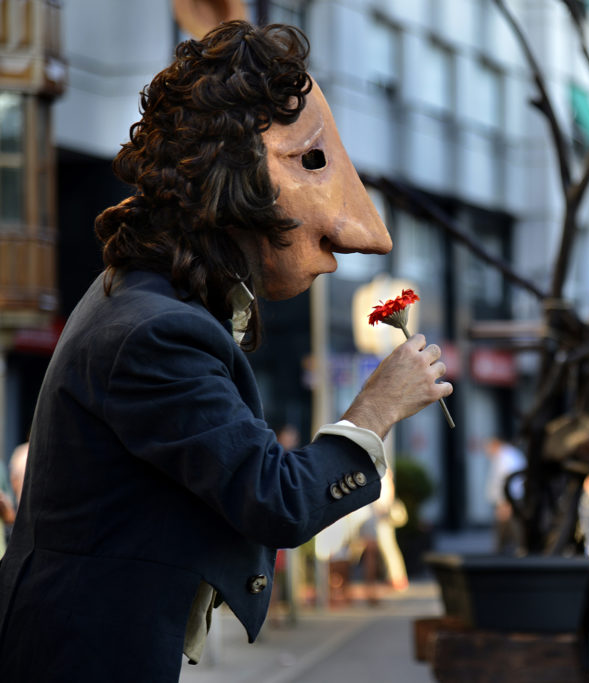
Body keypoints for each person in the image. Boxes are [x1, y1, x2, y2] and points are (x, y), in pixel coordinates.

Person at [0, 21, 451, 681]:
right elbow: (275, 498)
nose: (364, 236)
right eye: (310, 161)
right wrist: (376, 408)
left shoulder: (139, 298)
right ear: (230, 171)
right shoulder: (155, 332)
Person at [485, 437, 527, 554]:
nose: (487, 452)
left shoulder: (507, 457)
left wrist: (506, 501)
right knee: (507, 525)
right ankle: (508, 549)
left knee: (512, 523)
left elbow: (510, 481)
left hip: (509, 499)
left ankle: (519, 548)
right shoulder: (504, 456)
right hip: (508, 498)